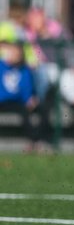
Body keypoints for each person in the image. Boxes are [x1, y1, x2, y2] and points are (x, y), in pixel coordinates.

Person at [0, 19, 52, 152]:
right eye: (13, 50)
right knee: (24, 111)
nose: (16, 53)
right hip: (4, 101)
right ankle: (35, 142)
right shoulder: (2, 67)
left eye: (18, 51)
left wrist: (29, 99)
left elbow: (26, 88)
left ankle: (37, 142)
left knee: (42, 109)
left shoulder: (24, 69)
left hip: (18, 103)